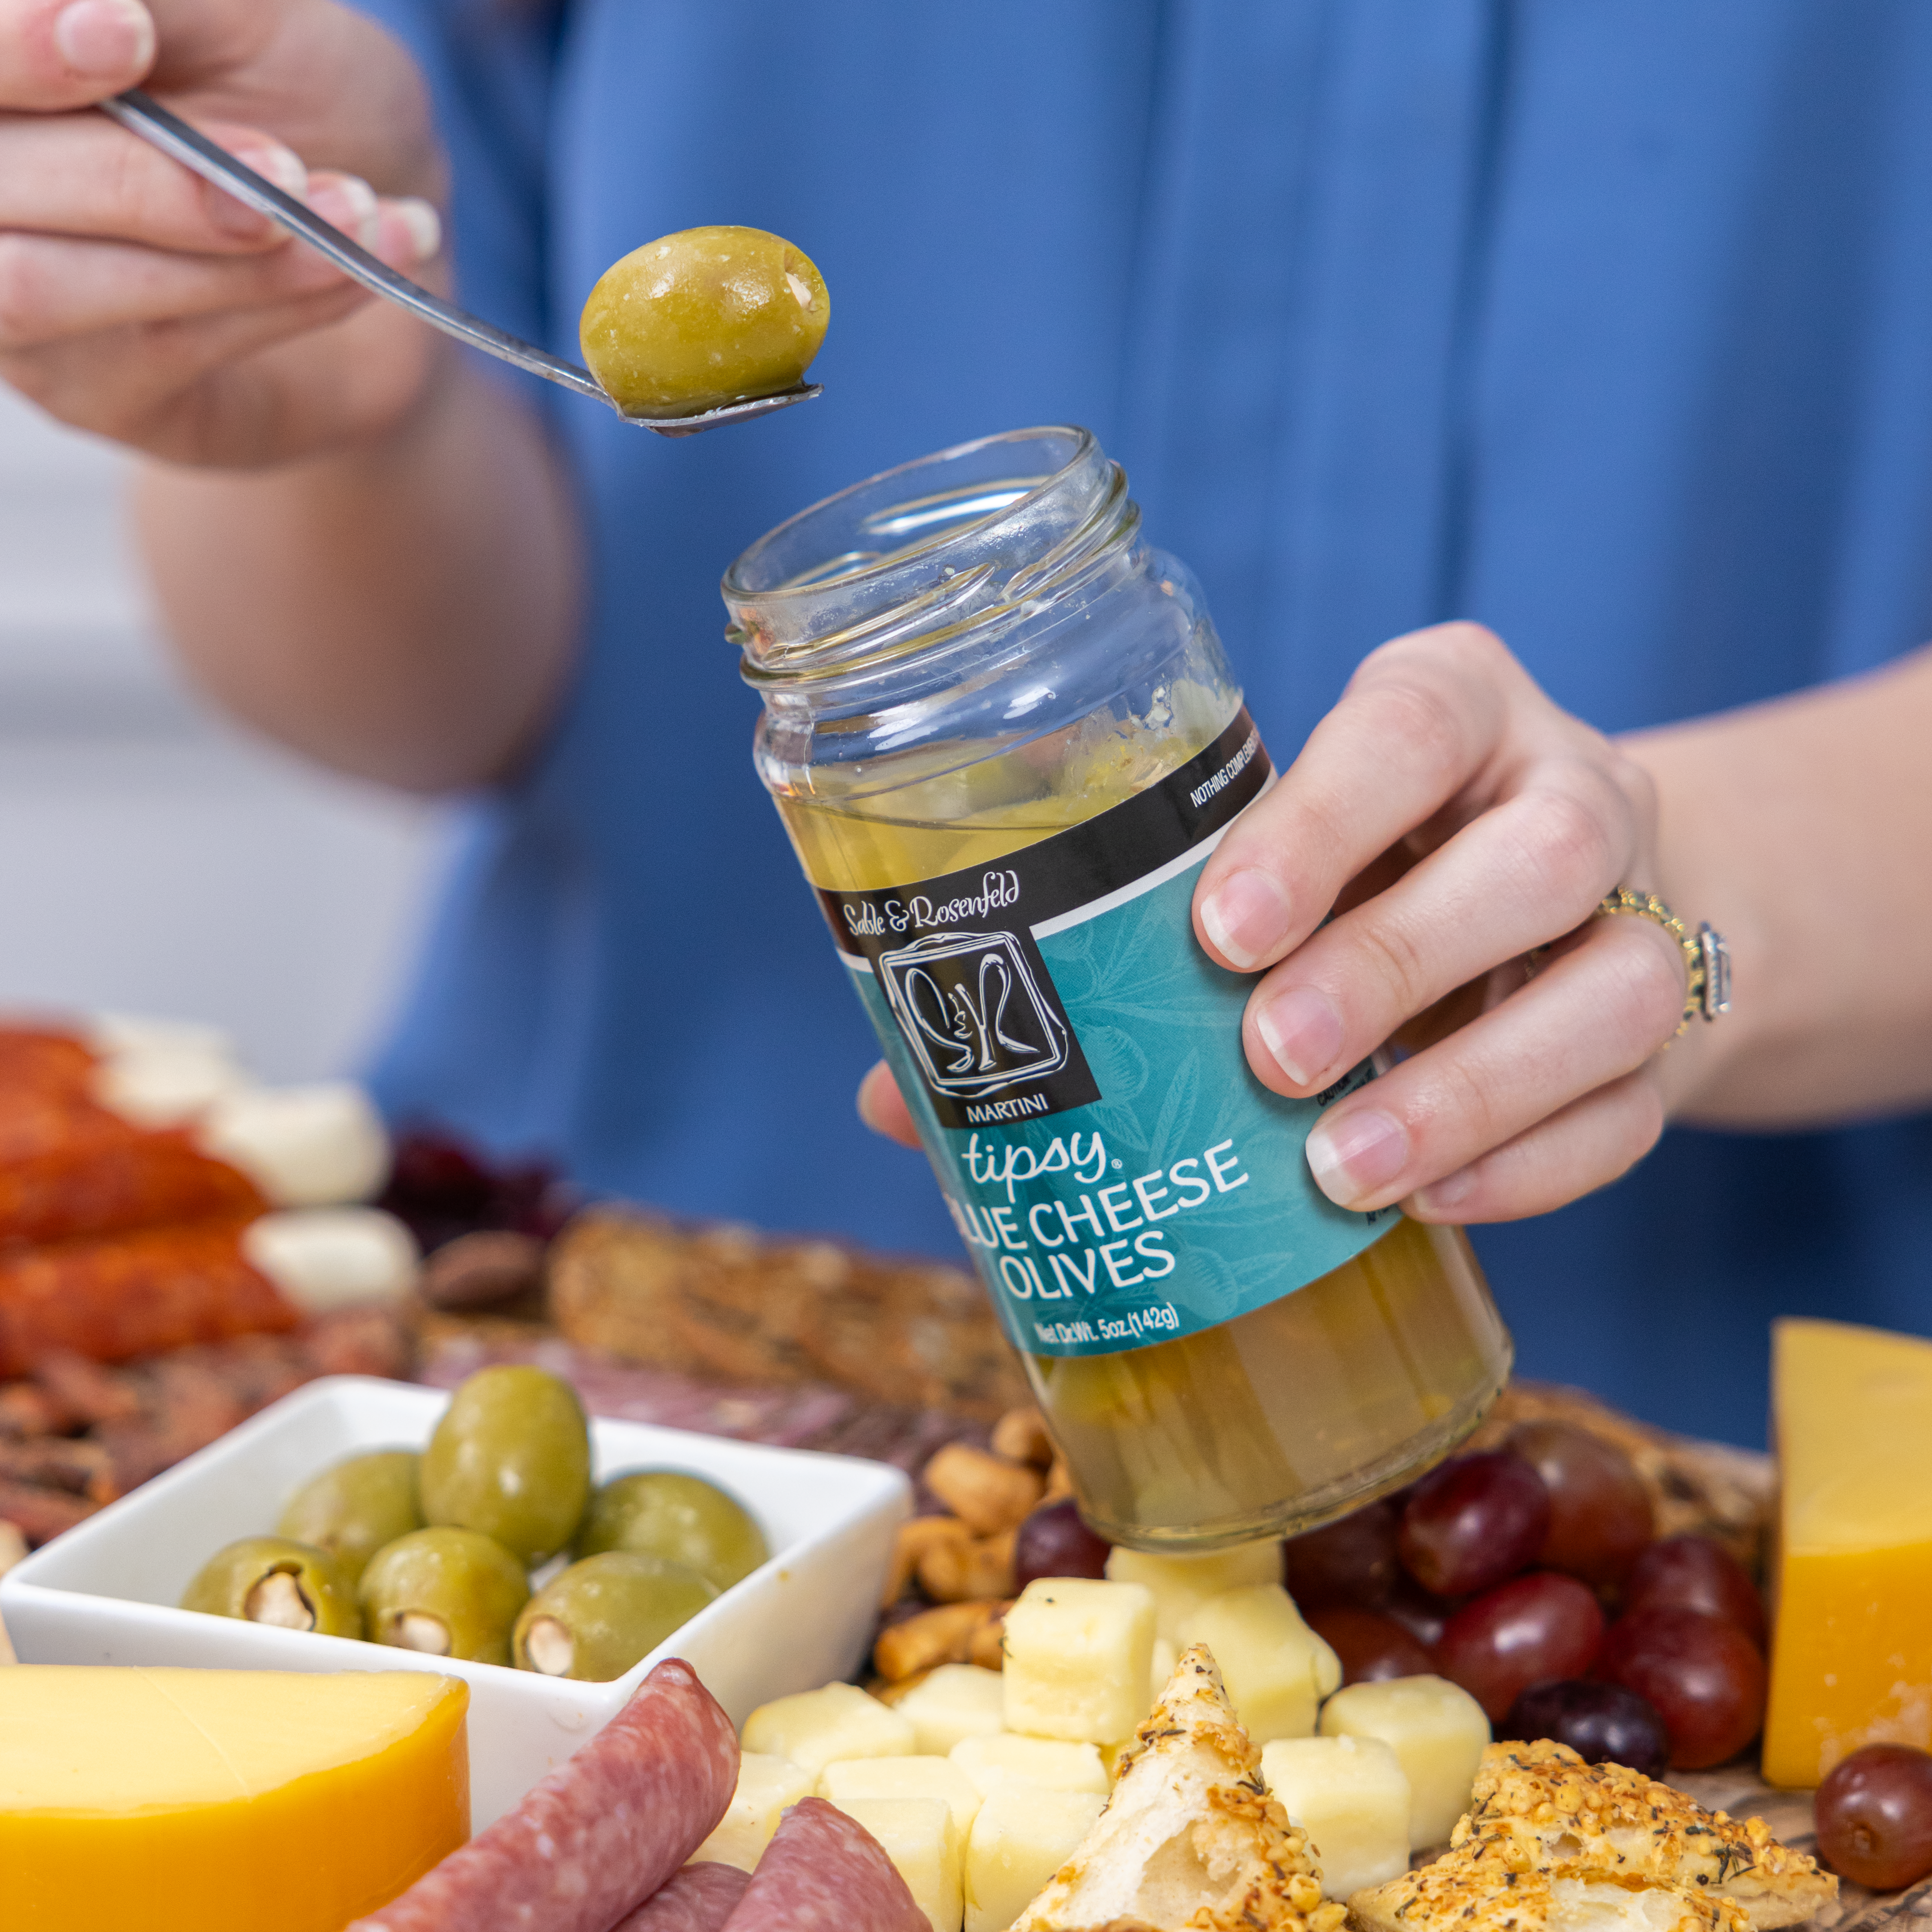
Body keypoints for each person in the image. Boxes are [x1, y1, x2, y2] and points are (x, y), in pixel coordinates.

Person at [4, 0, 1930, 1447]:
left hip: (1743, 1417)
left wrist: (1666, 891)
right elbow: (434, 692)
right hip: (658, 1322)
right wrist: (344, 413)